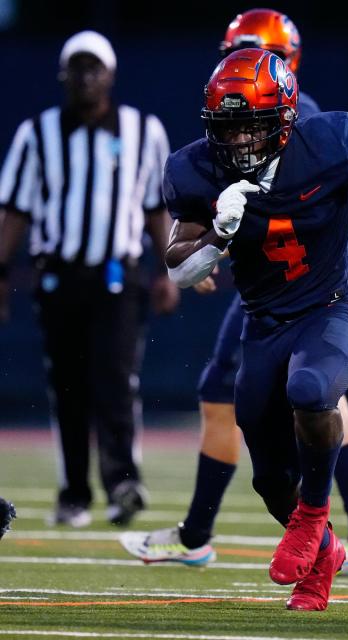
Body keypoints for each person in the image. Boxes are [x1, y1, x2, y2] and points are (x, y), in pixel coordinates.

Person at [161, 49, 348, 610]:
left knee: (311, 390)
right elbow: (176, 267)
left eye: (251, 125)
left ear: (285, 119)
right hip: (264, 324)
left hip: (333, 307)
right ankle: (325, 560)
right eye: (228, 127)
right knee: (269, 479)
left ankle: (315, 517)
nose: (239, 140)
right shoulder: (195, 171)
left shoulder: (328, 143)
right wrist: (218, 236)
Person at [120, 8, 348, 575]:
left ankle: (204, 532)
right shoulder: (225, 134)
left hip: (300, 288)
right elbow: (192, 233)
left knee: (280, 390)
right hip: (266, 289)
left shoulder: (306, 127)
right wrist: (205, 244)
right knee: (303, 397)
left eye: (243, 49)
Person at [0, 31, 178, 528]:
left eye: (93, 67)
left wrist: (168, 269)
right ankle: (73, 492)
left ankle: (123, 481)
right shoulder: (37, 134)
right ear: (63, 75)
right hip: (57, 276)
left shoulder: (144, 130)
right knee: (68, 386)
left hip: (119, 275)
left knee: (117, 380)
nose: (85, 77)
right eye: (76, 68)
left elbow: (154, 209)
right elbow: (13, 209)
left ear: (111, 75)